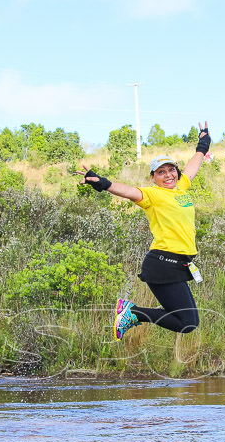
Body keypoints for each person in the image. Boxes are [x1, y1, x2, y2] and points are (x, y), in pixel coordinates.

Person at [77, 122, 210, 340]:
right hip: (163, 263)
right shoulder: (152, 195)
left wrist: (203, 143)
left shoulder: (182, 188)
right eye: (161, 172)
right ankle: (133, 313)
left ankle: (133, 312)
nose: (168, 175)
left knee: (189, 323)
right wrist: (103, 183)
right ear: (153, 177)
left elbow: (194, 166)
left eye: (171, 170)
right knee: (187, 323)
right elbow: (129, 191)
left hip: (180, 264)